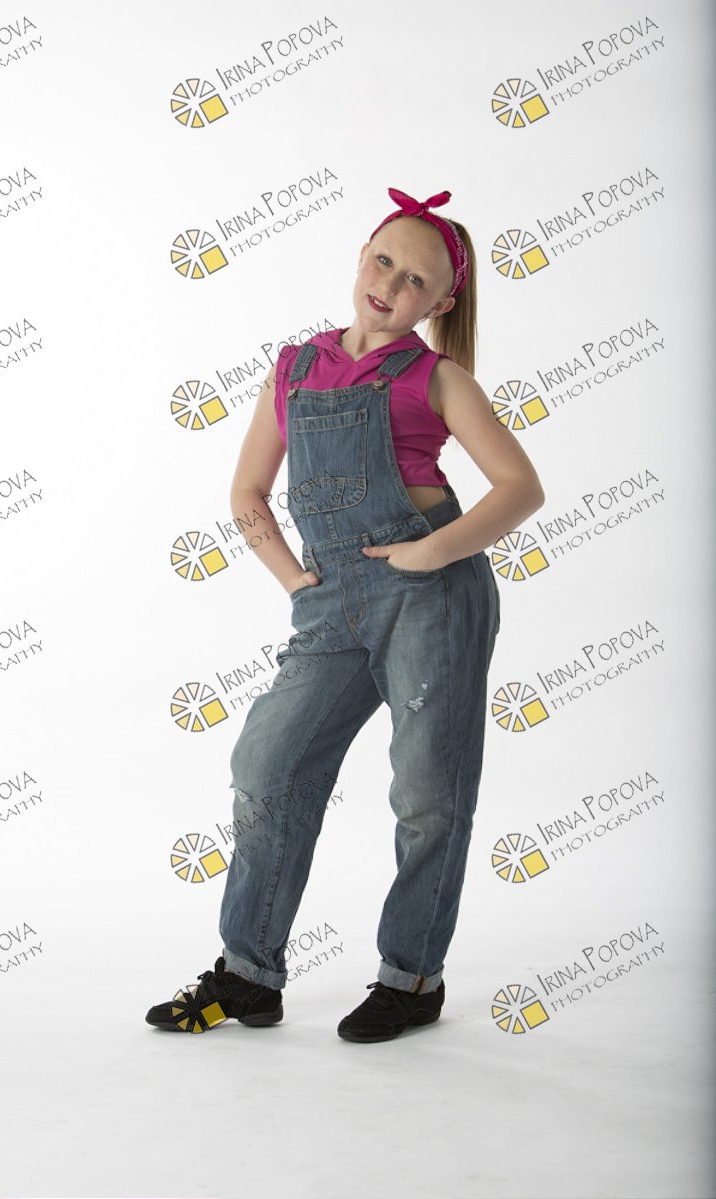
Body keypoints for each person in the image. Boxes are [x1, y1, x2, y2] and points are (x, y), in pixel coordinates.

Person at [146, 186, 545, 1042]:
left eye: (416, 280)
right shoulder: (294, 368)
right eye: (384, 260)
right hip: (330, 599)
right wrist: (298, 583)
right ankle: (249, 973)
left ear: (442, 302)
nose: (391, 284)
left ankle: (411, 978)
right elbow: (247, 493)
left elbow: (520, 487)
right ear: (361, 256)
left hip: (432, 597)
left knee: (428, 792)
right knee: (267, 764)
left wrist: (432, 553)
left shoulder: (438, 378)